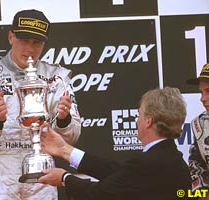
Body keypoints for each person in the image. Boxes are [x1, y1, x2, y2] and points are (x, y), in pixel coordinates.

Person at [0, 9, 81, 200]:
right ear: (11, 37)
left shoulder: (57, 77)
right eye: (24, 41)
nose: (30, 49)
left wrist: (64, 119)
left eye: (37, 43)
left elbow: (73, 136)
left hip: (43, 175)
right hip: (1, 177)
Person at [38, 87, 191, 200]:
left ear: (148, 121)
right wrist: (65, 150)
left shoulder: (147, 162)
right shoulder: (174, 161)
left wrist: (64, 178)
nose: (136, 120)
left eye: (139, 114)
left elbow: (100, 194)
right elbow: (117, 174)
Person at [187, 63, 209, 199]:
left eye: (208, 91)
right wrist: (203, 194)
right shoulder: (199, 124)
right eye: (201, 92)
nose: (202, 98)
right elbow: (196, 165)